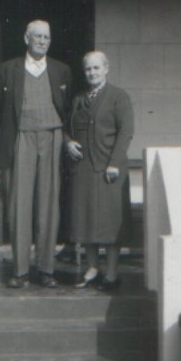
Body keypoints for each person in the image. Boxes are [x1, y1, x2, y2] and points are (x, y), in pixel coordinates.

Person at [0, 20, 72, 288]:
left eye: (46, 37)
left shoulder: (61, 70)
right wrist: (15, 126)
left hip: (52, 137)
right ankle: (20, 271)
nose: (42, 41)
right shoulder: (8, 69)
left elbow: (68, 108)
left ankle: (46, 269)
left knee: (49, 204)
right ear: (27, 38)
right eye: (37, 36)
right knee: (19, 204)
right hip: (21, 137)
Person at [65, 50, 134, 291]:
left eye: (96, 68)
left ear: (106, 69)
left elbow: (126, 131)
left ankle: (112, 273)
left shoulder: (118, 96)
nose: (92, 72)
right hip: (83, 168)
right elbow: (67, 127)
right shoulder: (78, 98)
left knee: (110, 222)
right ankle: (92, 268)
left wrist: (114, 162)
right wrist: (68, 142)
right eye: (88, 69)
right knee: (86, 220)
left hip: (109, 168)